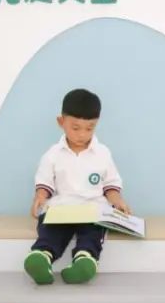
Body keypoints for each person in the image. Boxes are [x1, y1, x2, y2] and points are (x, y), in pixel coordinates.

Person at [23, 89, 130, 285]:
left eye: (89, 128)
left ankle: (84, 260)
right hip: (61, 208)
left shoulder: (102, 153)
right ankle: (41, 256)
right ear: (61, 122)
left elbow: (111, 184)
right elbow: (45, 182)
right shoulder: (53, 154)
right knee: (51, 229)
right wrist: (40, 196)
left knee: (93, 232)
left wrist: (117, 201)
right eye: (75, 128)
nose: (82, 134)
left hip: (92, 209)